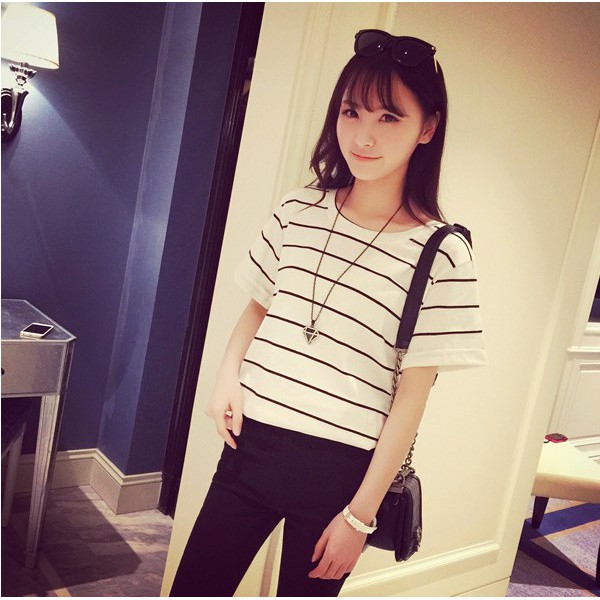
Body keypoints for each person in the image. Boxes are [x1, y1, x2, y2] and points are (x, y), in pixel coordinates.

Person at [170, 29, 488, 597]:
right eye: (351, 111)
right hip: (249, 447)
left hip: (341, 476)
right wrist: (225, 378)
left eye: (389, 117)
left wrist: (360, 518)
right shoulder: (298, 208)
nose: (362, 136)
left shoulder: (442, 252)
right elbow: (259, 306)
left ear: (428, 127)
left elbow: (411, 398)